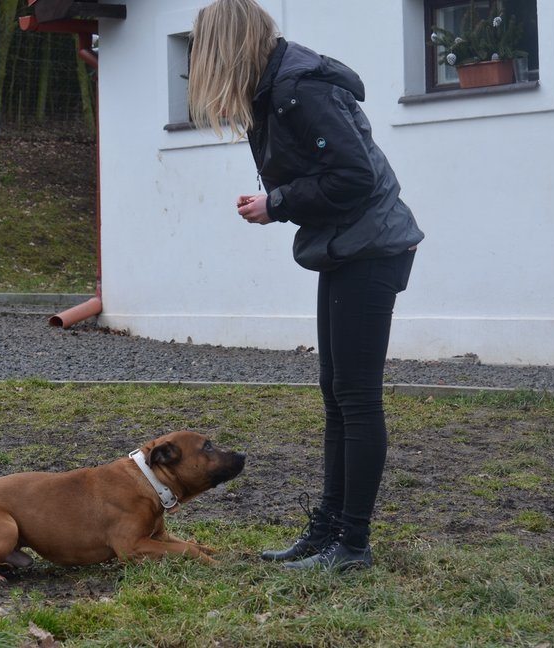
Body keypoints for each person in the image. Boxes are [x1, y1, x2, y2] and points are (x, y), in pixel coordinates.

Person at [188, 0, 424, 571]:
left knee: (357, 400)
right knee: (338, 397)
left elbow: (353, 175)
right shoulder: (278, 89)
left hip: (371, 248)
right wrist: (281, 200)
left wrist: (279, 202)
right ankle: (327, 532)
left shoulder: (300, 88)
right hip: (349, 246)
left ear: (228, 46)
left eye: (202, 51)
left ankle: (353, 546)